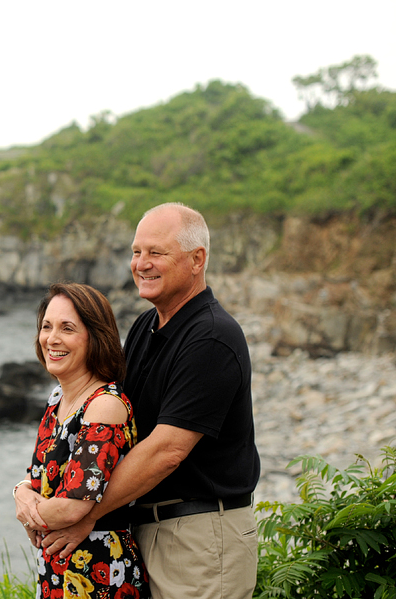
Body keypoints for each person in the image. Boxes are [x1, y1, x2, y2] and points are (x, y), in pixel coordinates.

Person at [41, 203, 261, 598]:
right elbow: (107, 428)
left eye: (156, 252)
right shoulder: (147, 326)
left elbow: (166, 451)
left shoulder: (211, 337)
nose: (141, 263)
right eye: (136, 251)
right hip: (144, 528)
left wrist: (83, 514)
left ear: (198, 260)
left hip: (199, 537)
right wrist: (27, 487)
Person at [14, 282, 150, 599]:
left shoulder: (104, 405)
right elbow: (40, 480)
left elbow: (75, 506)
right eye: (46, 327)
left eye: (67, 328)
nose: (52, 338)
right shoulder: (57, 399)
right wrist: (21, 490)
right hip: (57, 570)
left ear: (95, 337)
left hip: (100, 572)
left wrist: (26, 514)